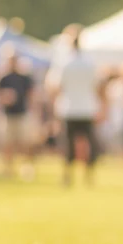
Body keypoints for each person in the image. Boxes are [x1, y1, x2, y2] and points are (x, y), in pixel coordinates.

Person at [45, 25, 101, 187]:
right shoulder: (89, 62)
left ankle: (67, 177)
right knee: (88, 142)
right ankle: (88, 177)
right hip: (87, 108)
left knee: (68, 144)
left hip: (69, 108)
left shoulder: (64, 62)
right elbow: (96, 86)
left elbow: (55, 86)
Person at [0, 45, 37, 179]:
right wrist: (5, 99)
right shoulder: (3, 78)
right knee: (7, 143)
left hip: (22, 113)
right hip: (8, 115)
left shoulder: (24, 78)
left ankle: (27, 168)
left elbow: (31, 95)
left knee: (25, 143)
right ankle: (8, 169)